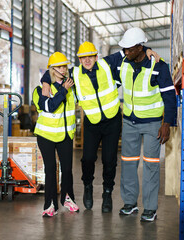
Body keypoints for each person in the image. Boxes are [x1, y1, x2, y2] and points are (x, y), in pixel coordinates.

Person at [41, 42, 159, 213]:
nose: (87, 60)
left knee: (109, 160)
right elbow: (55, 69)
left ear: (96, 57)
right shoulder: (74, 73)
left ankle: (107, 193)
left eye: (90, 56)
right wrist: (45, 81)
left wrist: (147, 49)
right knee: (88, 158)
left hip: (112, 121)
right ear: (79, 59)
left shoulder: (107, 63)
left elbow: (131, 49)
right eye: (83, 57)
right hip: (92, 122)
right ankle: (87, 186)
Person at [117, 27, 176, 222]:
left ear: (140, 47)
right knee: (128, 163)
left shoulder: (159, 66)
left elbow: (169, 96)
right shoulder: (122, 61)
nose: (126, 52)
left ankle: (150, 208)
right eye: (124, 49)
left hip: (152, 124)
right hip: (129, 122)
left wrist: (167, 123)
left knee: (151, 165)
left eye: (129, 49)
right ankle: (130, 203)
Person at [33, 52, 79, 217]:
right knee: (50, 169)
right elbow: (50, 106)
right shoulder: (40, 90)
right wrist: (62, 90)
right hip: (46, 136)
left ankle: (68, 198)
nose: (64, 69)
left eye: (65, 66)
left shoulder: (70, 86)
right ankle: (50, 204)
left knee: (67, 169)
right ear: (52, 69)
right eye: (59, 66)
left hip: (65, 135)